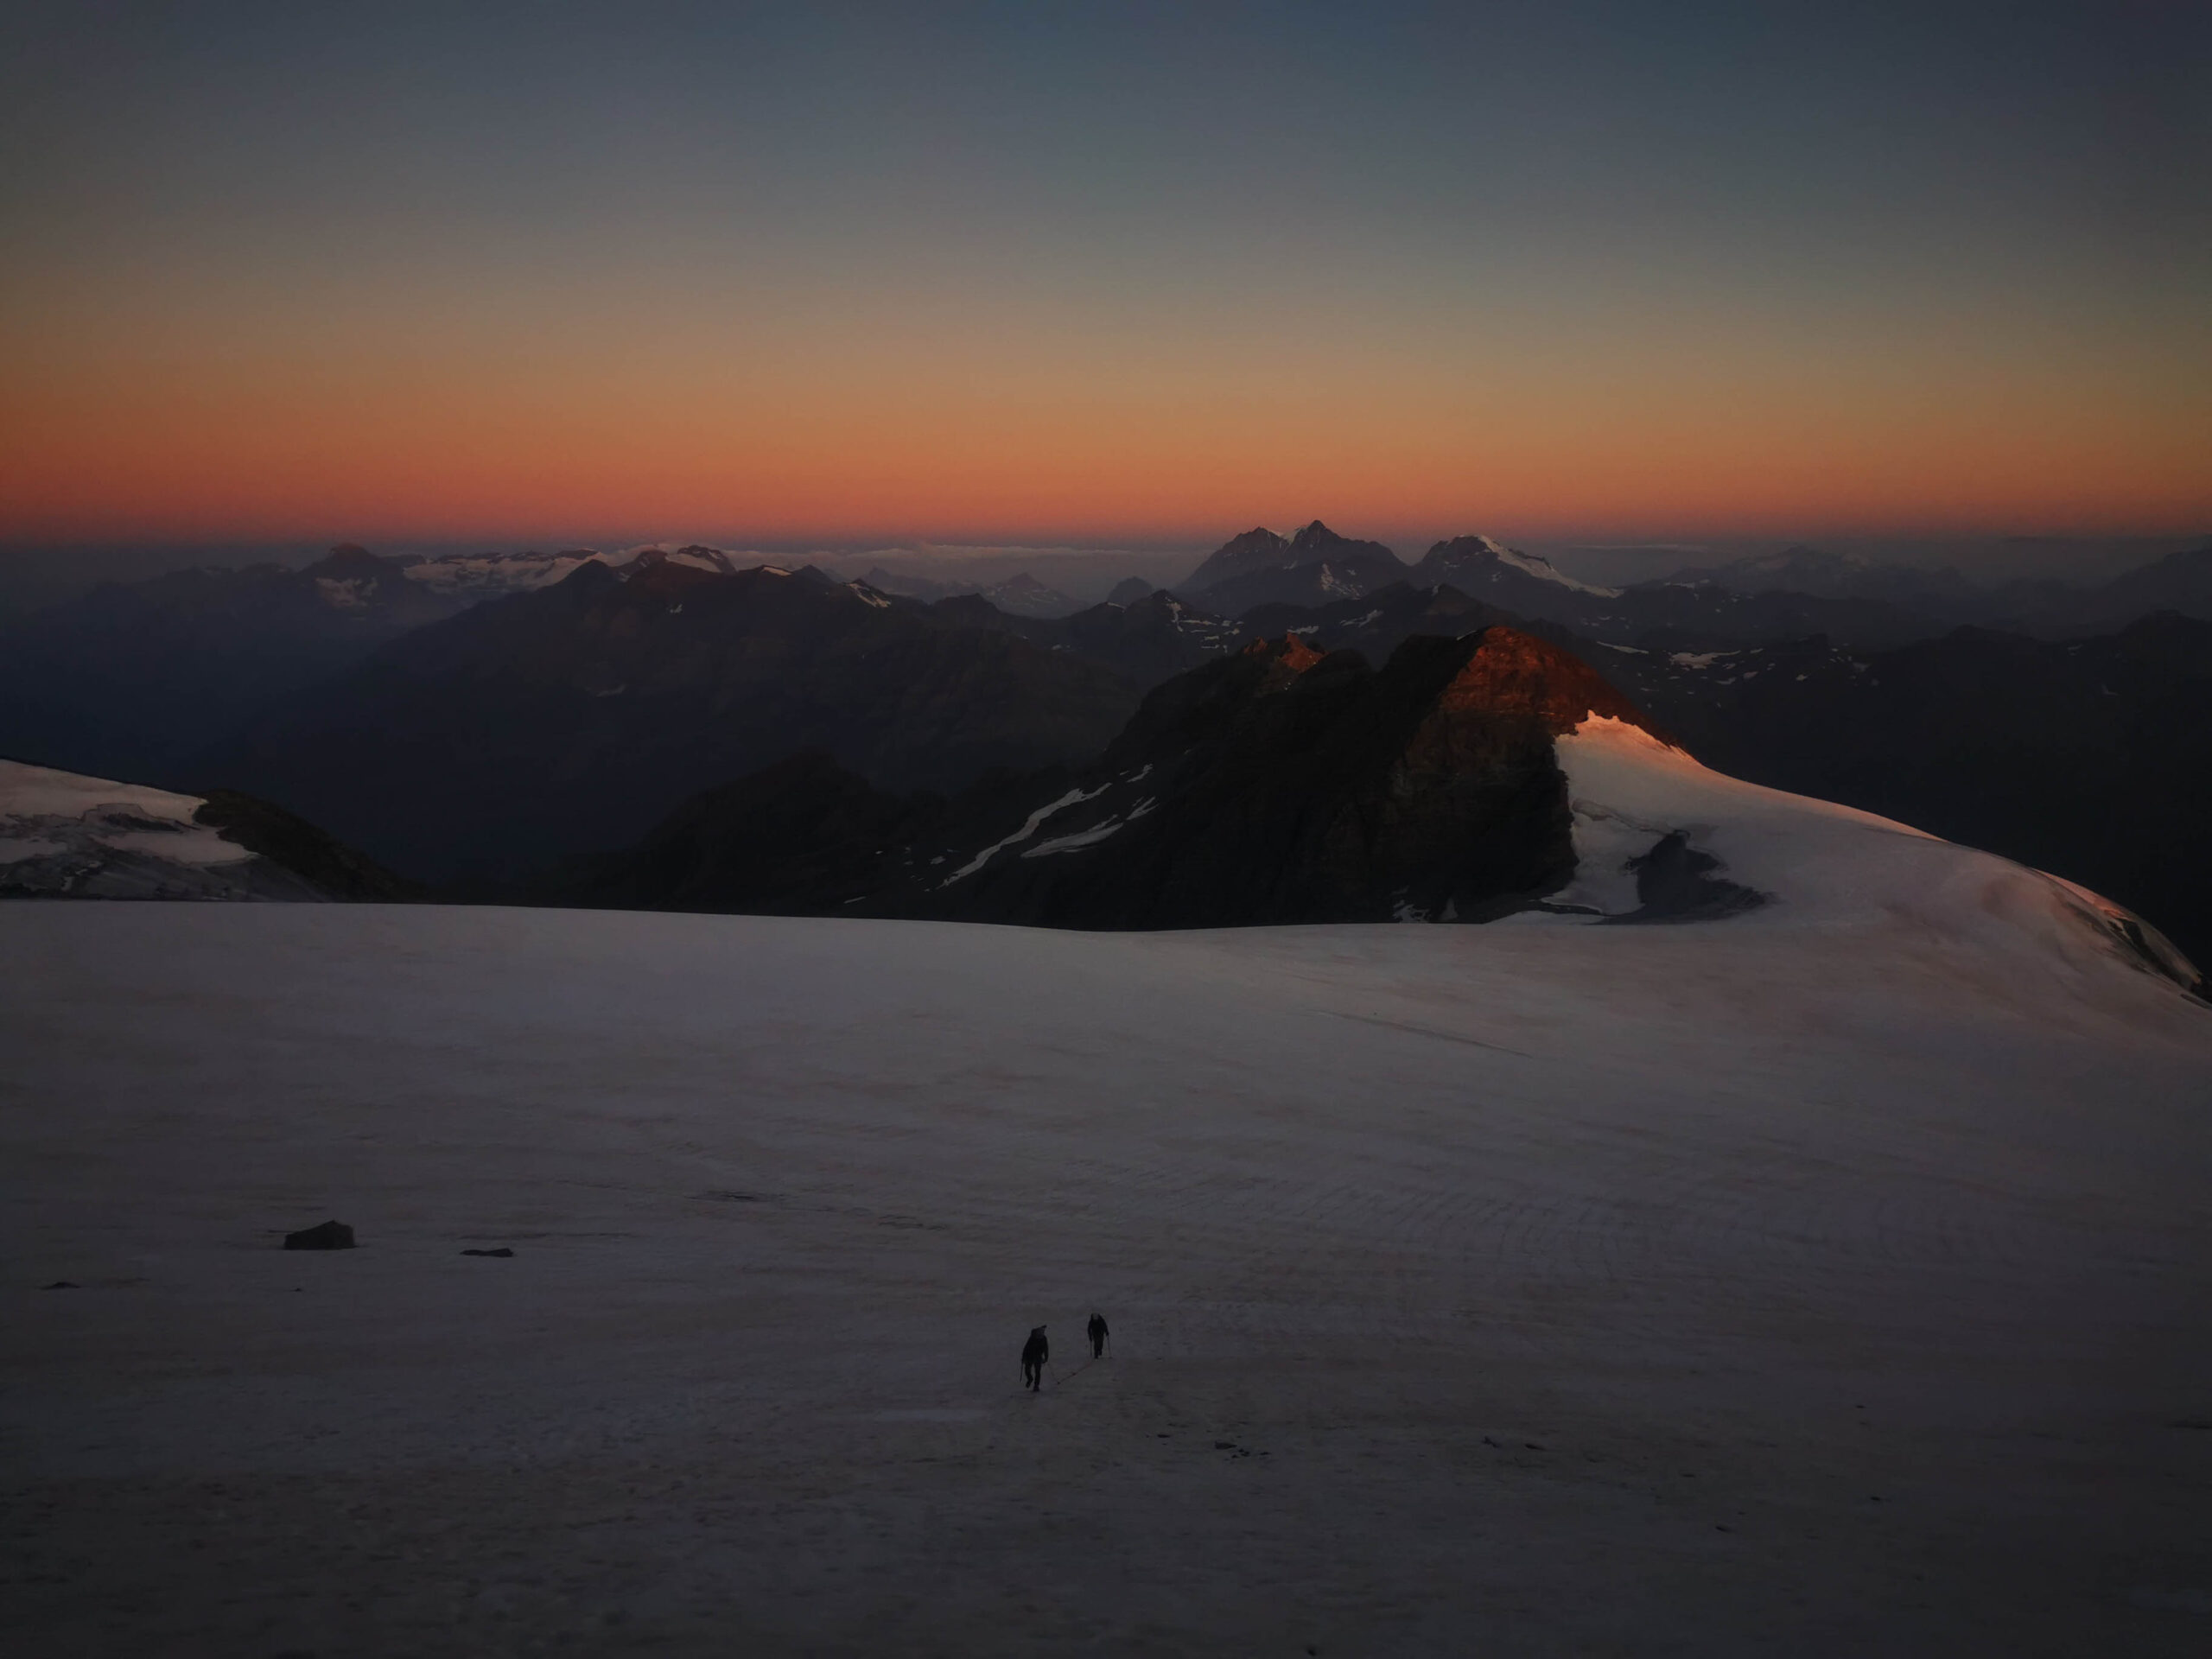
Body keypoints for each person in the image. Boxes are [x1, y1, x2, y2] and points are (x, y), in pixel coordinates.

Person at [1020, 1325, 1049, 1392]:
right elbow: (1026, 1348)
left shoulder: (1044, 1339)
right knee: (1027, 1370)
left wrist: (1046, 1357)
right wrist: (1023, 1357)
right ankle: (1030, 1379)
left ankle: (1036, 1385)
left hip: (1038, 1357)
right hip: (1029, 1356)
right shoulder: (1032, 1338)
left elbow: (1046, 1349)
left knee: (1037, 1372)